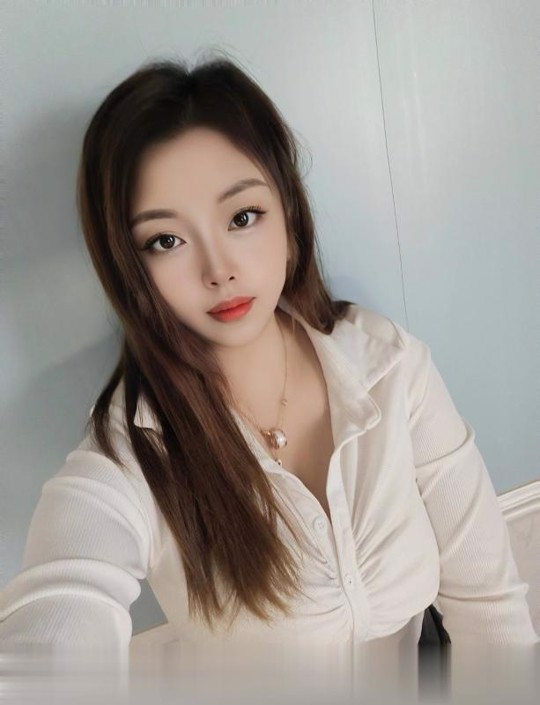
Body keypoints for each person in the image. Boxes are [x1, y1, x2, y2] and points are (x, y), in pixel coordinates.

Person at [0, 55, 538, 656]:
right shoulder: (132, 455)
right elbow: (62, 602)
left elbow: (491, 607)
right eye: (166, 240)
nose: (219, 270)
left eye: (243, 216)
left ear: (288, 213)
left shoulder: (386, 365)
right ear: (130, 267)